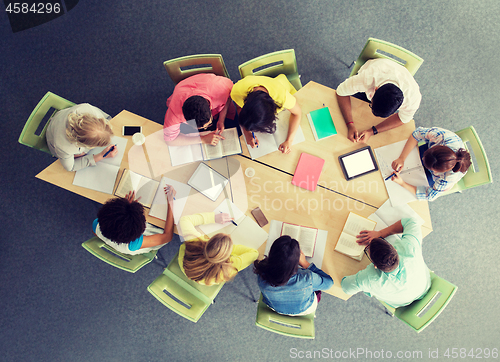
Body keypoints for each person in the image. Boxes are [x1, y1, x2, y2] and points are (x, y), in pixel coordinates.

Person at [341, 218, 431, 308]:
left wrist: (360, 279)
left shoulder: (370, 278)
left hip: (401, 303)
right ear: (394, 249)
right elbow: (411, 221)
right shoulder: (410, 248)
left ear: (375, 266)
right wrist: (380, 234)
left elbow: (346, 287)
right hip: (424, 286)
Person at [336, 58, 422, 143]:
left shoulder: (413, 99)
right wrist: (350, 124)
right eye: (371, 105)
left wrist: (372, 131)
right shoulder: (366, 78)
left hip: (396, 75)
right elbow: (340, 92)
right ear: (375, 89)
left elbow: (402, 119)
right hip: (377, 67)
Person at [253, 236, 333, 316]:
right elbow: (329, 283)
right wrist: (305, 263)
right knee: (317, 290)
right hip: (303, 309)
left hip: (276, 308)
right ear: (295, 261)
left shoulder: (262, 273)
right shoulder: (306, 277)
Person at [389, 126, 471, 201]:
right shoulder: (441, 137)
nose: (422, 158)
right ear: (436, 147)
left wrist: (402, 183)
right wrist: (402, 158)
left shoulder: (447, 179)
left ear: (437, 171)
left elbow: (429, 195)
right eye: (424, 156)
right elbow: (417, 133)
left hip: (436, 175)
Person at [177, 212, 258, 285]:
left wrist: (213, 218)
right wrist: (227, 249)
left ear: (209, 241)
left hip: (186, 267)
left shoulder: (195, 242)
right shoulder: (228, 269)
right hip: (204, 280)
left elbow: (184, 220)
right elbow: (254, 253)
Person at [92, 186, 175, 255]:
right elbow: (167, 236)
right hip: (154, 235)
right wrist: (171, 203)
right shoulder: (135, 243)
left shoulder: (96, 224)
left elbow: (96, 233)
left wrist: (125, 207)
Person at [230, 74, 301, 154]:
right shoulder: (238, 90)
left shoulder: (283, 97)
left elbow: (297, 113)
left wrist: (289, 141)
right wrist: (247, 133)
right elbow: (239, 107)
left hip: (284, 87)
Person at [163, 73, 237, 146]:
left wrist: (221, 120)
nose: (205, 129)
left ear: (210, 107)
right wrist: (202, 139)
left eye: (208, 125)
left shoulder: (222, 87)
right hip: (182, 90)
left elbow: (229, 95)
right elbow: (170, 141)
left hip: (210, 84)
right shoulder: (174, 115)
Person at [46, 103, 118, 171]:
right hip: (53, 135)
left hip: (62, 117)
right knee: (76, 156)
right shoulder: (63, 147)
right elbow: (71, 167)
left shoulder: (87, 108)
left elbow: (107, 118)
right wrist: (101, 155)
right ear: (88, 145)